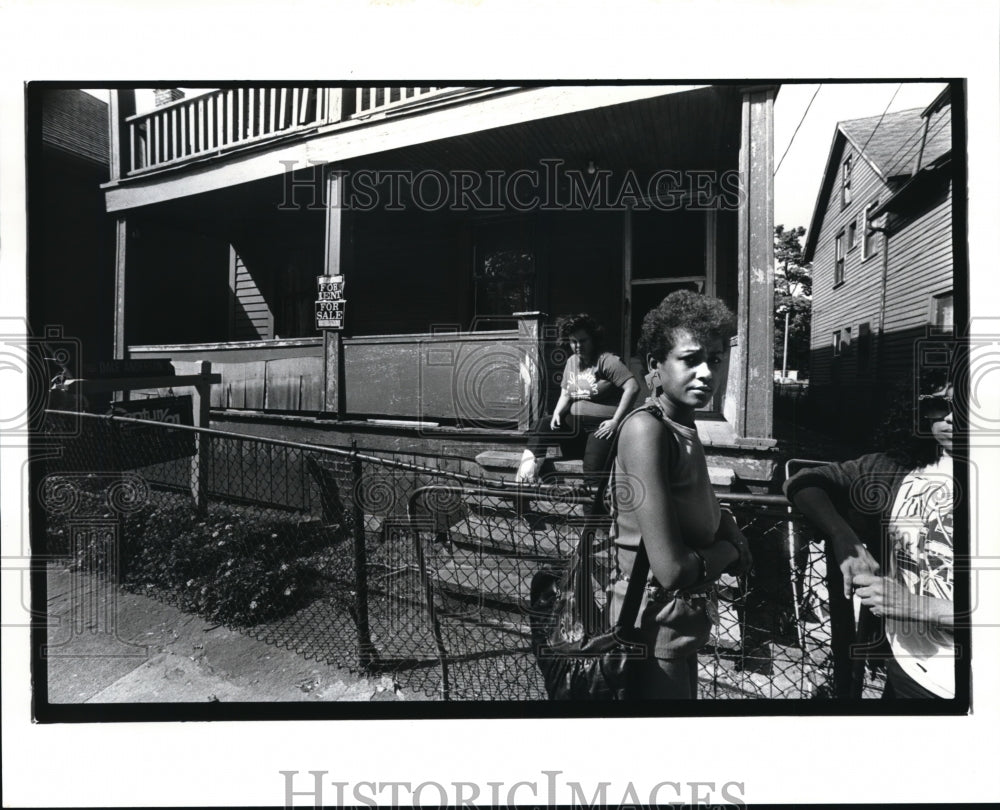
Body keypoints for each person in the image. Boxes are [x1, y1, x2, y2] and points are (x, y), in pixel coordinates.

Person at [609, 290, 752, 699]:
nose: (707, 372)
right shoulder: (646, 430)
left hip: (682, 620)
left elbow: (699, 500)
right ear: (655, 365)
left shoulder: (684, 426)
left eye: (716, 360)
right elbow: (671, 570)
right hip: (651, 626)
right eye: (691, 359)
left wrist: (731, 529)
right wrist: (731, 554)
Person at [784, 376, 956, 699]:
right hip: (906, 668)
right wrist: (842, 536)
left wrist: (919, 606)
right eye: (938, 405)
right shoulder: (902, 465)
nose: (950, 417)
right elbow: (805, 481)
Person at [515, 314, 639, 486]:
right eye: (573, 341)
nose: (578, 346)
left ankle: (594, 509)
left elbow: (632, 387)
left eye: (583, 341)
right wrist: (558, 412)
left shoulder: (607, 361)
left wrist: (615, 421)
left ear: (593, 339)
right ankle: (525, 478)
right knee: (542, 424)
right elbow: (566, 392)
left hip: (602, 427)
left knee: (593, 468)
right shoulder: (572, 362)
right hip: (577, 429)